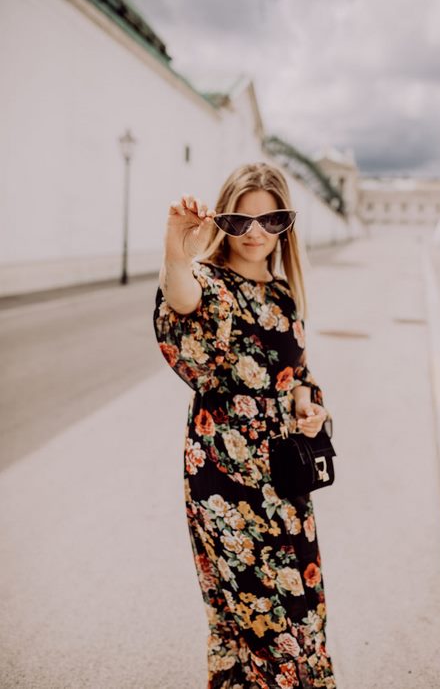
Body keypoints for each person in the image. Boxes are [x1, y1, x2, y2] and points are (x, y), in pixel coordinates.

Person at [153, 161, 336, 689]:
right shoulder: (208, 283)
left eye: (271, 220)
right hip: (225, 482)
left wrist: (308, 407)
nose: (255, 233)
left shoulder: (283, 294)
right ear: (223, 222)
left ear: (285, 225)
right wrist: (175, 249)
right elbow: (182, 300)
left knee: (301, 606)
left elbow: (295, 375)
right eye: (240, 221)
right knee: (257, 617)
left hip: (285, 478)